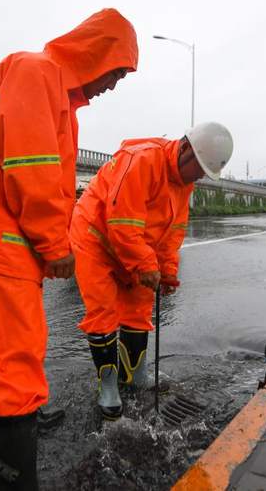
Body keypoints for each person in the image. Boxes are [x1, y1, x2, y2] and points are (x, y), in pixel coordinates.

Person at [0, 8, 138, 489]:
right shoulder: (36, 72)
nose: (113, 84)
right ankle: (15, 465)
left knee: (19, 354)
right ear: (95, 52)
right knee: (12, 371)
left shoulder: (53, 90)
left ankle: (24, 418)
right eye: (115, 71)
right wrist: (54, 245)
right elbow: (32, 167)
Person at [70, 122, 233, 419]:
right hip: (96, 239)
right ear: (184, 149)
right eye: (197, 169)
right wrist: (145, 264)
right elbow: (121, 222)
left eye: (203, 174)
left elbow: (174, 230)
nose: (197, 177)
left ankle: (134, 373)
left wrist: (167, 270)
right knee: (103, 312)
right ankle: (108, 385)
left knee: (140, 306)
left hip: (134, 245)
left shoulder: (185, 183)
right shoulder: (143, 160)